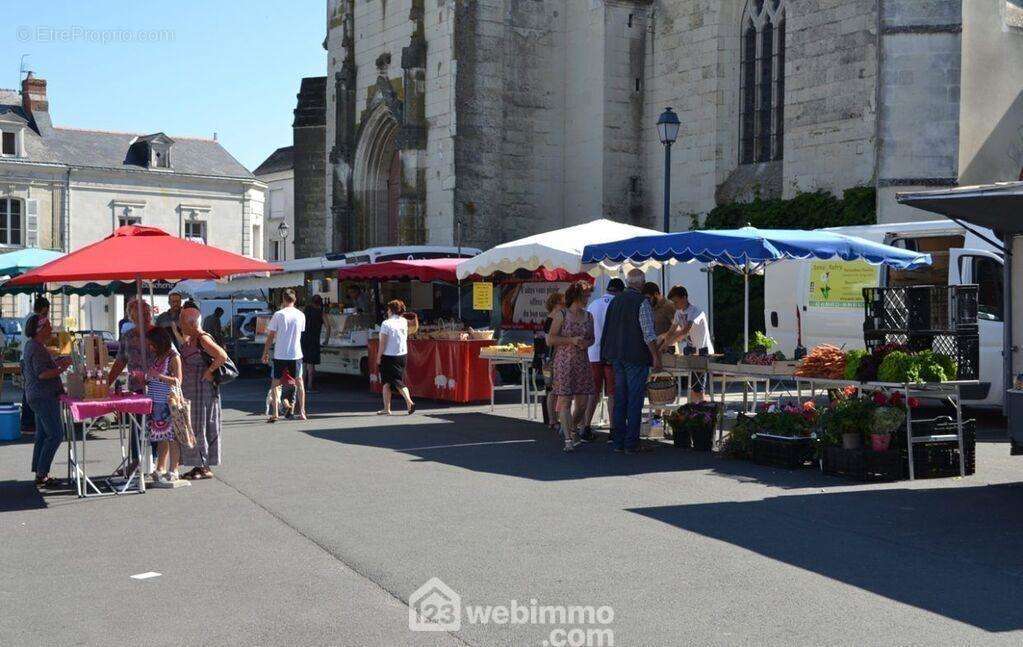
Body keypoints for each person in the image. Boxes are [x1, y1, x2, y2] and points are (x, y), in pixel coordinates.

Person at [601, 269, 662, 454]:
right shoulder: (641, 302)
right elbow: (648, 333)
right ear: (641, 283)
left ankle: (619, 441)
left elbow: (608, 328)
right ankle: (631, 443)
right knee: (634, 400)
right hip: (635, 356)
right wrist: (655, 357)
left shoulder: (615, 300)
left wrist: (607, 353)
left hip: (617, 355)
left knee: (621, 398)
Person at [178, 304, 229, 480]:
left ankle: (204, 466)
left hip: (202, 392)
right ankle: (198, 465)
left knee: (202, 426)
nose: (180, 325)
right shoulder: (191, 338)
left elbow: (222, 356)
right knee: (194, 426)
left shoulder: (202, 338)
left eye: (182, 322)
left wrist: (208, 372)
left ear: (192, 323)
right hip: (192, 391)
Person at [24, 314, 72, 488]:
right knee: (56, 434)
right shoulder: (36, 348)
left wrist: (57, 362)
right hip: (43, 396)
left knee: (43, 435)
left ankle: (39, 472)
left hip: (38, 395)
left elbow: (42, 368)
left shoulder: (35, 346)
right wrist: (62, 368)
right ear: (41, 329)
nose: (52, 329)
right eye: (49, 326)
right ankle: (42, 473)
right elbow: (42, 374)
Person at [548, 282, 596, 452]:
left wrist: (586, 343)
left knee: (583, 404)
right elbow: (550, 339)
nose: (588, 298)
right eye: (586, 295)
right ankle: (568, 439)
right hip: (564, 362)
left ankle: (571, 428)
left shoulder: (589, 316)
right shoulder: (562, 314)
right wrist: (571, 340)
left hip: (582, 362)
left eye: (589, 295)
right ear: (576, 296)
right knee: (566, 400)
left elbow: (592, 339)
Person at [582, 278, 624, 441]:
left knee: (593, 392)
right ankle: (613, 430)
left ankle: (586, 427)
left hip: (592, 353)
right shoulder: (619, 304)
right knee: (612, 393)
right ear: (620, 291)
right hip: (611, 355)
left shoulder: (593, 304)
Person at [144, 327, 186, 487]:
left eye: (152, 344)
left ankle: (173, 469)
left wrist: (158, 376)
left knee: (172, 437)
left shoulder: (174, 357)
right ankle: (160, 468)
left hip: (169, 402)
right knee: (161, 437)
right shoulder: (158, 357)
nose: (150, 347)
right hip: (157, 402)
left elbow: (178, 381)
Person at [662, 285, 715, 403]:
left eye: (676, 302)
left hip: (702, 350)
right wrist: (663, 343)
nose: (675, 305)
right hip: (690, 349)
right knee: (692, 384)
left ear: (684, 297)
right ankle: (693, 409)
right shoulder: (678, 312)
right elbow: (672, 330)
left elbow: (685, 330)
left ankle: (702, 411)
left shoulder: (696, 311)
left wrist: (668, 343)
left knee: (698, 387)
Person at [262, 289, 307, 422]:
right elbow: (301, 332)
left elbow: (271, 336)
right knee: (299, 382)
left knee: (275, 383)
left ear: (283, 299)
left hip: (280, 354)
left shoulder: (278, 314)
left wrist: (265, 352)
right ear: (295, 300)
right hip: (296, 353)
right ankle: (303, 412)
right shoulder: (301, 315)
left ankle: (275, 412)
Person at [376, 299, 416, 415]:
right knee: (391, 382)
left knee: (393, 382)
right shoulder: (403, 321)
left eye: (388, 309)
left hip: (389, 356)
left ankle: (409, 402)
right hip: (402, 355)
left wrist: (378, 356)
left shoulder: (386, 324)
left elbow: (383, 342)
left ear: (390, 310)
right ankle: (386, 408)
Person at [537, 291, 566, 431]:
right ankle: (553, 420)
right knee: (552, 389)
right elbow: (550, 342)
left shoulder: (552, 318)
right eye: (562, 302)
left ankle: (553, 419)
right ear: (556, 304)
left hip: (549, 358)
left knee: (552, 389)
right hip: (550, 359)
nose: (564, 305)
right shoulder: (552, 318)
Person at [21, 297, 50, 434]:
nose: (47, 314)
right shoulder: (34, 319)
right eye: (46, 311)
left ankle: (29, 422)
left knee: (29, 390)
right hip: (28, 358)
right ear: (42, 308)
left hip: (25, 357)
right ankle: (27, 423)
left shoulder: (30, 317)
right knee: (30, 390)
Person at [301, 295, 329, 392]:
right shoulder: (321, 313)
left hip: (303, 339)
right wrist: (326, 339)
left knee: (304, 364)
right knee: (311, 364)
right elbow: (328, 327)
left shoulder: (305, 311)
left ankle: (302, 386)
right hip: (314, 339)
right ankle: (310, 385)